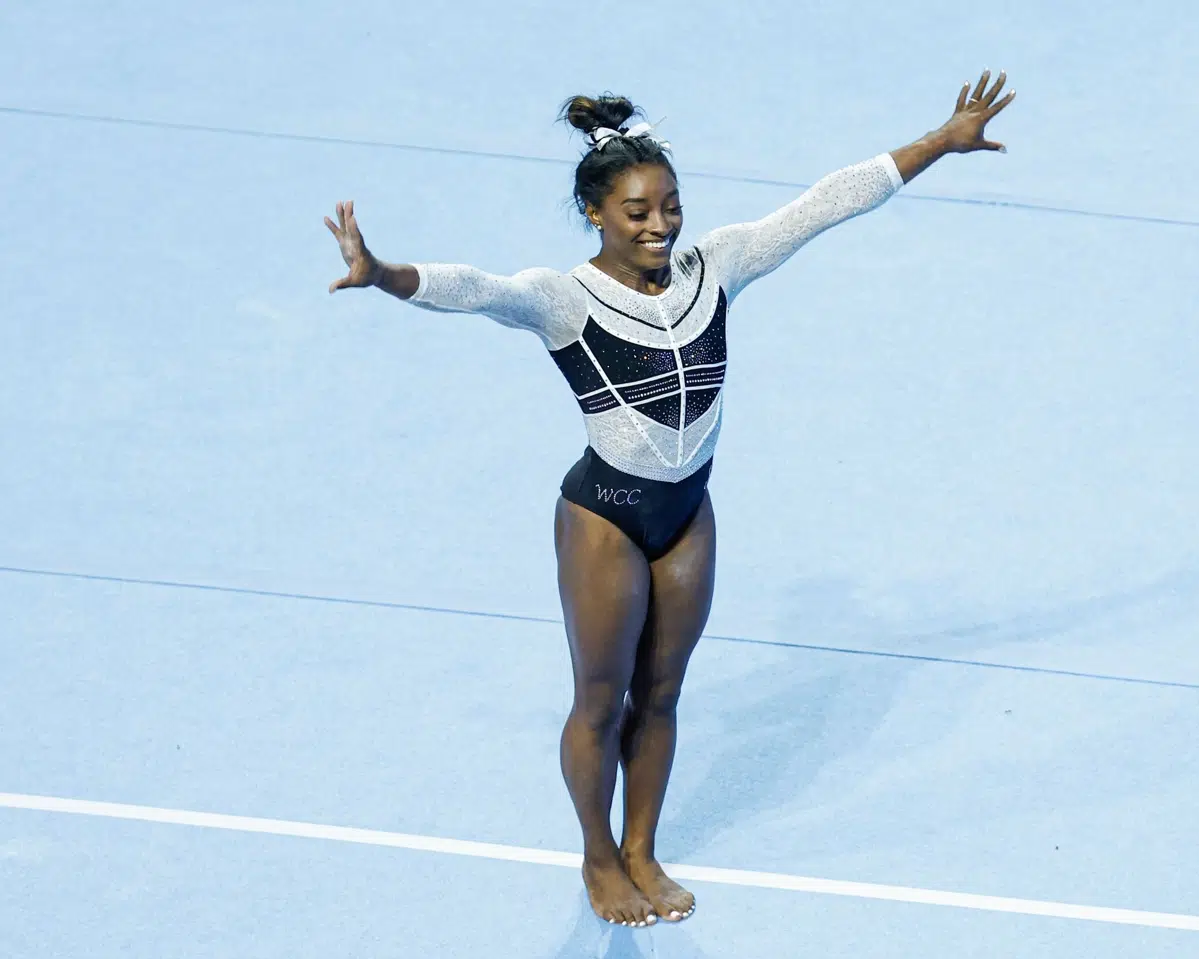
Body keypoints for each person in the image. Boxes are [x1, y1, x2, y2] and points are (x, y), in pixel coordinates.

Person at [325, 70, 1015, 928]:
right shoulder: (565, 300)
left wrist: (936, 143)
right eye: (636, 213)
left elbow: (820, 206)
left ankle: (643, 846)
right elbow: (476, 289)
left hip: (688, 511)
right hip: (605, 516)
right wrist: (382, 271)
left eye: (669, 205)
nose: (659, 226)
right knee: (600, 695)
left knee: (662, 692)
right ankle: (597, 854)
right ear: (596, 216)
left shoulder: (715, 266)